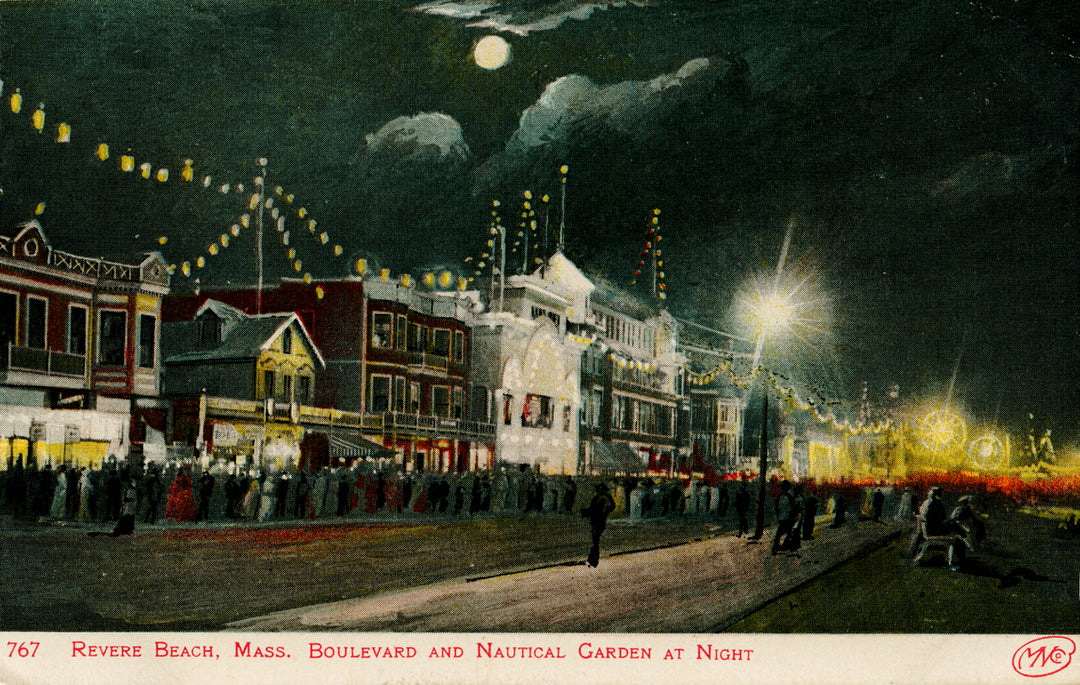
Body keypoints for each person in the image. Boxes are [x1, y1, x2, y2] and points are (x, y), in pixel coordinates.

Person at [909, 486, 947, 565]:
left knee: (918, 535)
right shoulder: (936, 503)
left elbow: (922, 515)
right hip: (931, 530)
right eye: (939, 493)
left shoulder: (926, 502)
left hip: (925, 528)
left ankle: (912, 553)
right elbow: (943, 517)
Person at [582, 482, 616, 567]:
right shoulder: (598, 497)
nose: (599, 490)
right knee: (595, 539)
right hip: (595, 519)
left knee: (595, 539)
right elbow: (592, 508)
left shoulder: (605, 497)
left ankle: (593, 558)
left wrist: (606, 512)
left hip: (600, 519)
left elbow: (612, 506)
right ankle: (593, 558)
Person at [771, 481, 798, 555]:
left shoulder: (780, 496)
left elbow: (776, 507)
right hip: (787, 517)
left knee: (781, 532)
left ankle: (777, 547)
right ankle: (785, 546)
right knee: (788, 532)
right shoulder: (788, 496)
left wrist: (777, 515)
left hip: (783, 517)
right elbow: (793, 506)